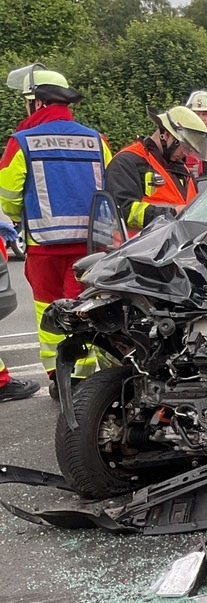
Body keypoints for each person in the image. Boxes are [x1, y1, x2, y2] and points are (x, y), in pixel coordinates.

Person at [0, 64, 113, 401]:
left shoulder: (22, 141)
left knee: (48, 311)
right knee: (86, 309)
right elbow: (111, 188)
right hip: (91, 246)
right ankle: (83, 377)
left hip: (44, 245)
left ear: (37, 102)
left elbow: (7, 193)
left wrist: (19, 219)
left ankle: (58, 376)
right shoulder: (96, 140)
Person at [105, 105, 207, 232]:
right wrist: (171, 213)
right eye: (185, 147)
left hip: (174, 242)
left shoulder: (181, 169)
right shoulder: (127, 162)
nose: (186, 154)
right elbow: (122, 210)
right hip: (140, 243)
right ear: (166, 135)